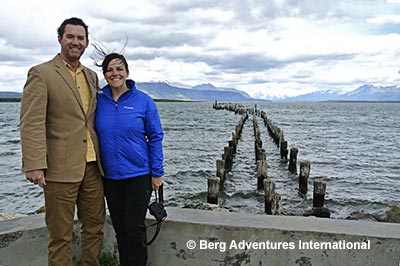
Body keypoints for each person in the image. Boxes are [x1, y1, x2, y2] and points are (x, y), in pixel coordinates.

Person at [20, 17, 105, 265]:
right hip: (59, 169)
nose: (75, 42)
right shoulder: (42, 73)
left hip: (92, 167)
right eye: (70, 37)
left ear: (86, 43)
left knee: (95, 228)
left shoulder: (91, 76)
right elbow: (31, 121)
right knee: (60, 236)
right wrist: (34, 163)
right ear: (60, 39)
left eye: (80, 38)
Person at [94, 52, 164, 266]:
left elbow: (155, 137)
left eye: (119, 69)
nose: (115, 73)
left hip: (138, 175)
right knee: (120, 230)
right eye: (110, 70)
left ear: (127, 72)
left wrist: (157, 172)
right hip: (109, 177)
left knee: (134, 229)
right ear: (105, 75)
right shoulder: (98, 101)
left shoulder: (143, 101)